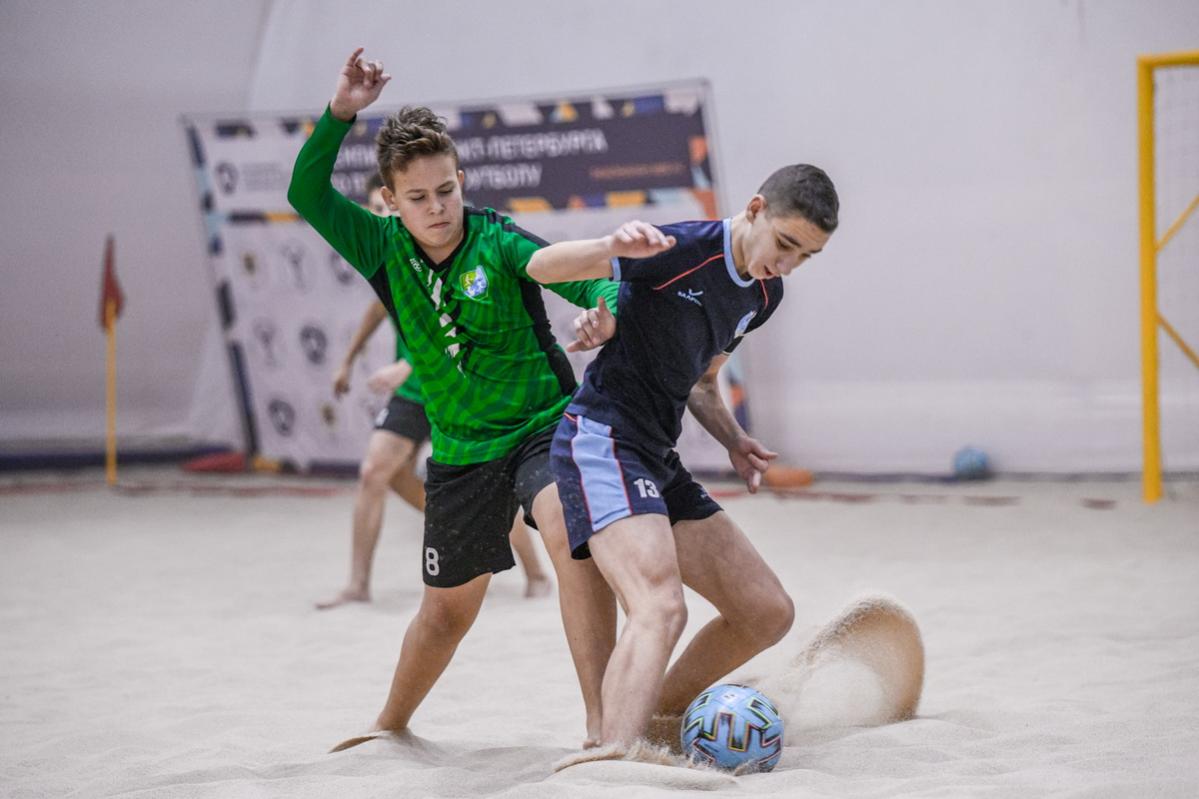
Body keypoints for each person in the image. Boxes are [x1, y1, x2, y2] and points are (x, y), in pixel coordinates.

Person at [287, 48, 618, 747]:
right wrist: (340, 112)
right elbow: (306, 194)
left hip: (542, 424)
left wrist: (606, 310)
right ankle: (389, 725)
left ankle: (602, 724)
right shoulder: (379, 246)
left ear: (460, 180)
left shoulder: (498, 239)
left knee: (569, 538)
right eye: (417, 197)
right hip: (462, 450)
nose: (436, 208)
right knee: (445, 614)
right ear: (390, 200)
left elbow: (587, 278)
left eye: (446, 190)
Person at [526, 163, 840, 754]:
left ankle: (651, 718)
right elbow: (540, 267)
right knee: (661, 606)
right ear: (755, 210)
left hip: (655, 455)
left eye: (807, 256)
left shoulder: (765, 294)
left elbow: (702, 382)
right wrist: (610, 246)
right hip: (602, 439)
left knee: (767, 612)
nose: (788, 264)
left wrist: (734, 439)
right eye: (785, 243)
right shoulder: (680, 249)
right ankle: (613, 753)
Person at [317, 175, 551, 609]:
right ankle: (358, 585)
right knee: (376, 472)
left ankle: (535, 573)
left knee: (488, 486)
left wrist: (406, 364)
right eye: (375, 209)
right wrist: (348, 358)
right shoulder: (387, 251)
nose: (380, 216)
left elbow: (463, 323)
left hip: (456, 387)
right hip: (413, 390)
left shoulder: (451, 248)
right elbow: (377, 308)